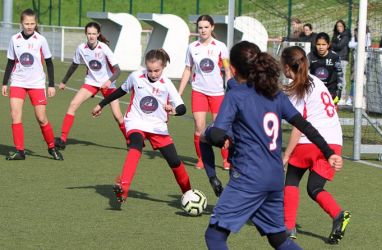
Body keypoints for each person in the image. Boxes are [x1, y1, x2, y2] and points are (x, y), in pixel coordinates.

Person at [202, 41, 343, 250]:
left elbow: (216, 133)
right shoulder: (274, 94)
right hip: (275, 177)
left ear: (233, 68)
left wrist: (211, 136)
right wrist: (329, 152)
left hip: (249, 177)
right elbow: (304, 125)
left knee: (214, 237)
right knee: (279, 239)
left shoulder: (236, 95)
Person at [92, 49, 192, 203]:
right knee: (136, 144)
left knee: (174, 161)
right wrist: (101, 104)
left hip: (157, 126)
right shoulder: (136, 77)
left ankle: (188, 193)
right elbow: (120, 91)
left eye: (157, 70)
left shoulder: (167, 84)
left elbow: (182, 107)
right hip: (135, 121)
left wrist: (174, 110)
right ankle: (123, 188)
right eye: (150, 70)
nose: (153, 74)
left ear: (163, 67)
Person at [281, 46, 351, 244]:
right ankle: (338, 215)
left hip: (312, 141)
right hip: (334, 141)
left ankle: (288, 227)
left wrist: (286, 155)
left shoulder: (298, 87)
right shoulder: (316, 82)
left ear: (287, 67)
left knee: (292, 180)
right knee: (315, 187)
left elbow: (299, 126)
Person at [1, 8, 63, 161]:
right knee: (15, 115)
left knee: (41, 117)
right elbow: (10, 62)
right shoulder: (14, 39)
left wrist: (51, 85)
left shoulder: (40, 40)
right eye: (26, 23)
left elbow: (49, 62)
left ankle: (51, 147)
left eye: (32, 23)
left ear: (36, 24)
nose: (29, 26)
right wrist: (4, 83)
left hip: (37, 83)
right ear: (21, 23)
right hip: (18, 82)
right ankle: (20, 151)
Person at [55, 22, 126, 150]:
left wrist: (109, 81)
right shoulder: (81, 48)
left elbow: (118, 70)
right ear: (85, 34)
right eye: (89, 33)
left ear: (98, 34)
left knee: (117, 115)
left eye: (94, 34)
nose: (91, 36)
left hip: (108, 84)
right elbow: (74, 65)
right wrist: (64, 81)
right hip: (91, 82)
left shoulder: (103, 48)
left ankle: (130, 140)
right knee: (73, 105)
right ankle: (63, 139)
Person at [178, 15, 231, 170]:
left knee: (220, 128)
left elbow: (227, 69)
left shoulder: (220, 46)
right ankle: (201, 159)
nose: (203, 30)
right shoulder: (192, 47)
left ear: (212, 27)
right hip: (198, 91)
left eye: (206, 27)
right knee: (199, 127)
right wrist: (178, 93)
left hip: (217, 93)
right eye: (200, 27)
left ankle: (226, 160)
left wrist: (231, 89)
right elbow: (188, 69)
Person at [308, 32, 343, 105]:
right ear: (315, 44)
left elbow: (339, 73)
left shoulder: (334, 57)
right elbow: (303, 72)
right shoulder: (310, 56)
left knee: (329, 114)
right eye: (318, 44)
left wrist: (339, 90)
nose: (321, 47)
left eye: (323, 44)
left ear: (328, 45)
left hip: (330, 91)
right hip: (315, 91)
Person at [347, 24, 372, 106]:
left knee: (364, 80)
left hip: (365, 61)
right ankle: (351, 98)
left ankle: (364, 99)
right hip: (356, 62)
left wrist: (359, 44)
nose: (358, 34)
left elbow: (367, 44)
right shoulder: (354, 38)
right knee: (354, 79)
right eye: (357, 32)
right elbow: (350, 44)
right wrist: (359, 44)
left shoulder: (367, 36)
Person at [331, 20, 350, 106]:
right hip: (335, 58)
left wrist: (331, 45)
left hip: (342, 58)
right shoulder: (336, 35)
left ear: (344, 27)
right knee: (335, 77)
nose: (339, 28)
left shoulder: (345, 36)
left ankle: (343, 97)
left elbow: (339, 46)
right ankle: (336, 96)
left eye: (340, 26)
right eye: (337, 26)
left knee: (342, 77)